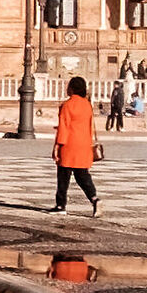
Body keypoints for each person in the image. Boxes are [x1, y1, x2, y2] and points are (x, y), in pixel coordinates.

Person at [54, 75, 100, 214]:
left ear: (72, 89)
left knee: (63, 176)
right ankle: (95, 198)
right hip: (84, 144)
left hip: (69, 144)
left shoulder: (67, 105)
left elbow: (64, 127)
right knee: (82, 175)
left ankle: (61, 205)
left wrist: (57, 146)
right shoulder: (87, 105)